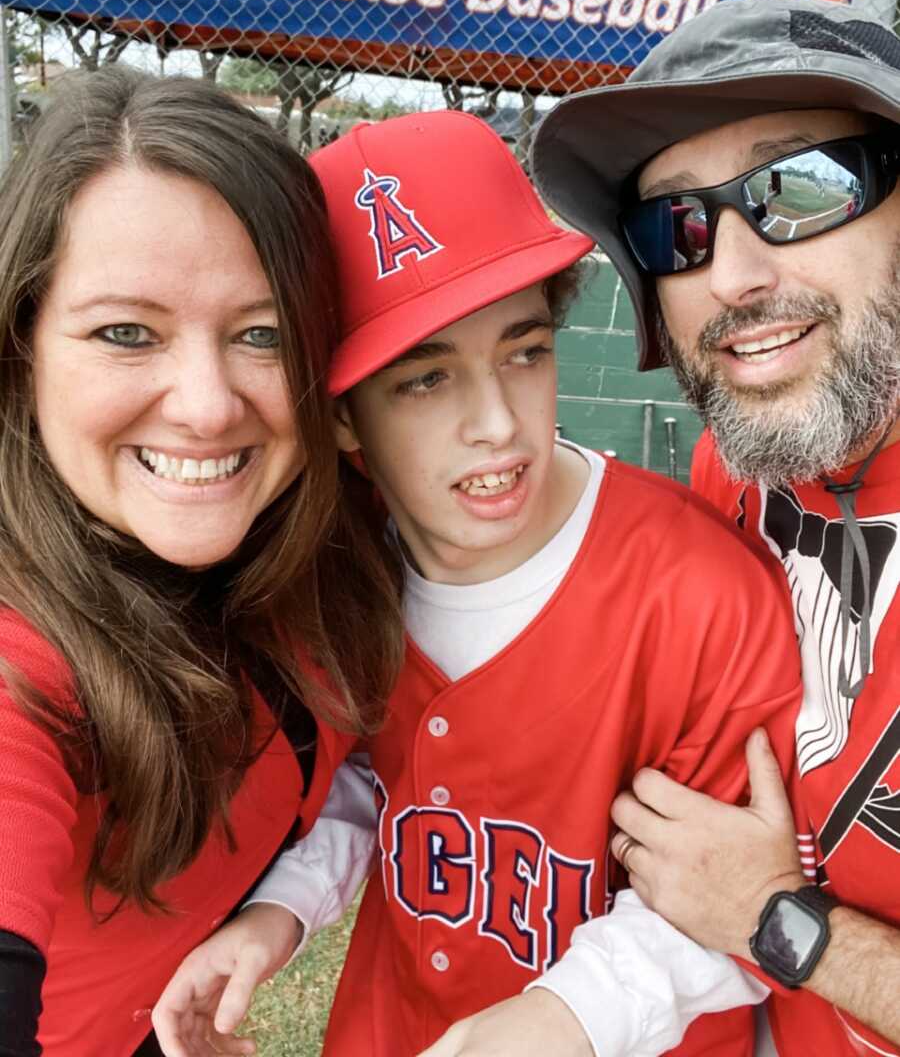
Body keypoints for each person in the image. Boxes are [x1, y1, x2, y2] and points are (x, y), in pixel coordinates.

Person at [153, 109, 806, 1057]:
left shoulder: (699, 594)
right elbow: (371, 777)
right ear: (340, 419)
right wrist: (282, 912)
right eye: (425, 380)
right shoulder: (348, 574)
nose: (497, 422)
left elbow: (755, 907)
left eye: (525, 351)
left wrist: (569, 1015)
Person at [0, 66, 404, 1057]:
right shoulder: (24, 663)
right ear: (23, 348)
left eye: (262, 334)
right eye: (126, 333)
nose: (208, 403)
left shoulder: (334, 537)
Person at [531, 0, 900, 1055]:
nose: (734, 276)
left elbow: (749, 905)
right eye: (677, 228)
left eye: (803, 189)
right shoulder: (738, 471)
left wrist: (784, 923)